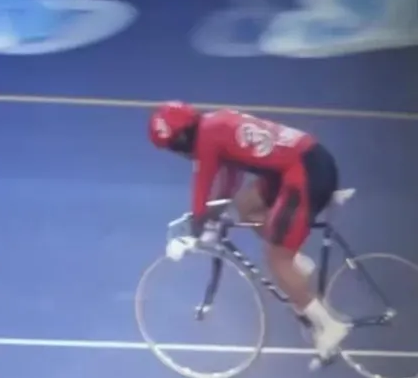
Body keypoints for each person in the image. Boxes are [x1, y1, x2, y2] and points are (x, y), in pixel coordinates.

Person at [148, 100, 351, 361]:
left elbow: (202, 187)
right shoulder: (213, 125)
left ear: (181, 140)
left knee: (277, 260)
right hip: (302, 164)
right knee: (245, 205)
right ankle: (298, 264)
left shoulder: (206, 140)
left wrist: (193, 231)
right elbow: (230, 181)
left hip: (305, 173)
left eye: (173, 148)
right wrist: (212, 216)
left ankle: (330, 325)